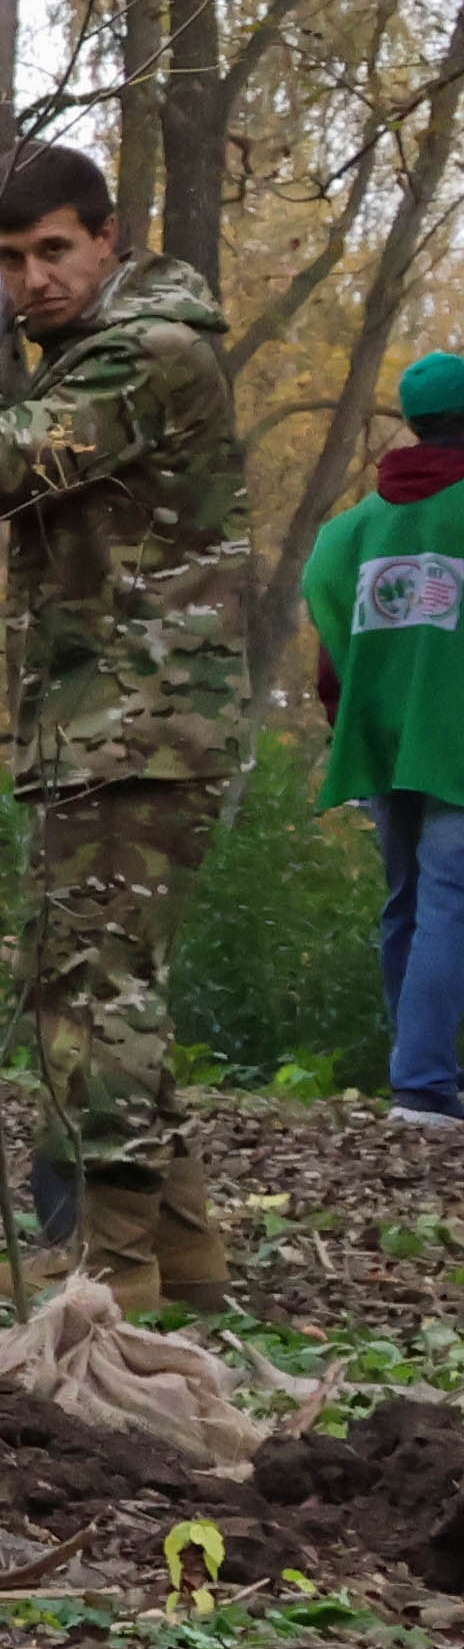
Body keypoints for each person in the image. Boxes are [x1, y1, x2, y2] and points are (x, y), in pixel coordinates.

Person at [0, 143, 251, 1309]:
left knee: (91, 995)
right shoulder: (102, 353)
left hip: (138, 725)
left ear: (109, 238)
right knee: (106, 985)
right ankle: (181, 1249)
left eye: (54, 249)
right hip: (111, 718)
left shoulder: (145, 353)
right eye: (8, 260)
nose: (32, 280)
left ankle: (113, 1272)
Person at [304, 353, 464, 1127]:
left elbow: (332, 655)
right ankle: (426, 1085)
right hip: (455, 746)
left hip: (378, 743)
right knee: (449, 902)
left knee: (405, 905)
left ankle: (416, 1072)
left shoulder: (353, 531)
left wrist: (354, 723)